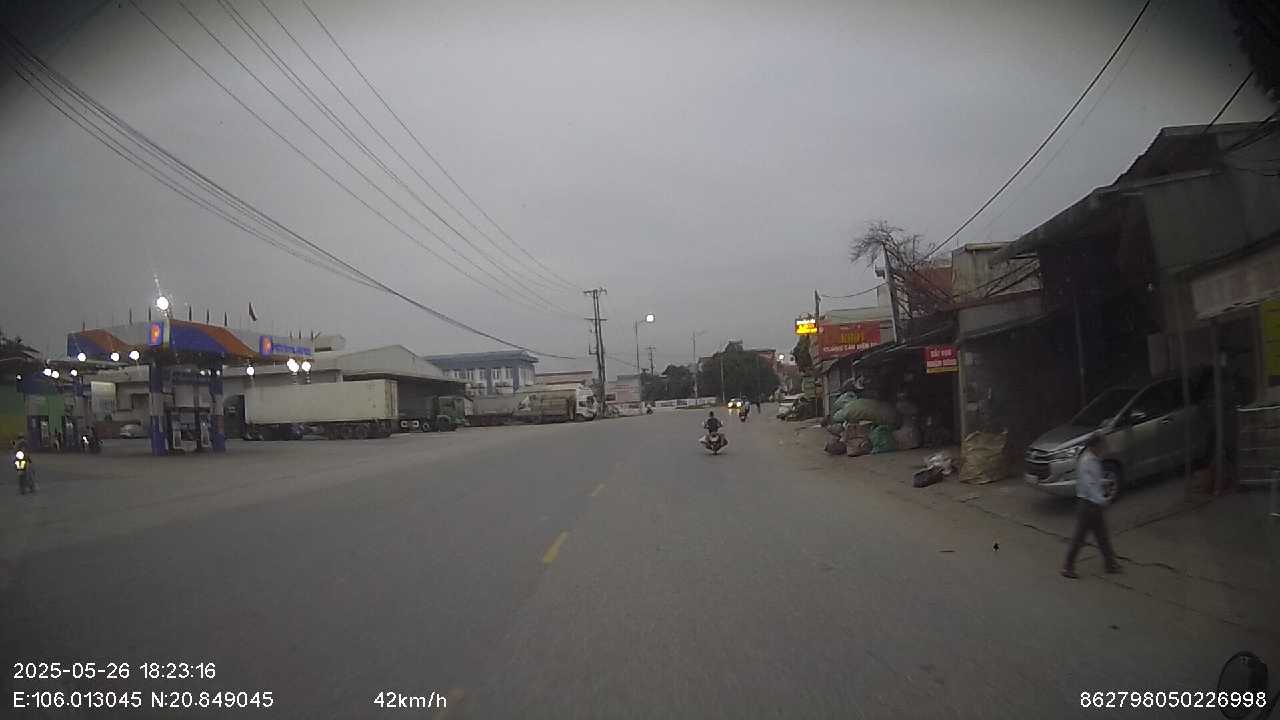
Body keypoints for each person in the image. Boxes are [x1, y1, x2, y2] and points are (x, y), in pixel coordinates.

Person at [1062, 433, 1120, 578]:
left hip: (1093, 504)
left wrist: (1104, 482)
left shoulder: (1094, 459)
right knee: (1080, 537)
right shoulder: (1086, 461)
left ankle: (1110, 564)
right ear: (1095, 446)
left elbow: (1094, 480)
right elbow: (1089, 485)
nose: (1104, 448)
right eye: (1102, 445)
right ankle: (1067, 566)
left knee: (1102, 535)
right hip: (1088, 505)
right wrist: (1102, 500)